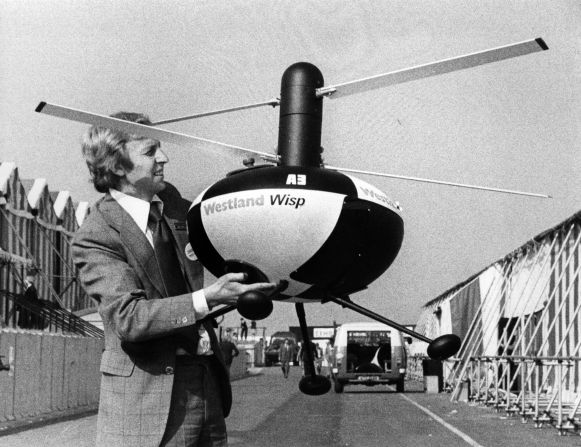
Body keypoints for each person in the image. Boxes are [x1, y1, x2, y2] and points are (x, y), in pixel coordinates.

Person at [71, 112, 276, 447]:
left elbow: (227, 225)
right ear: (119, 166)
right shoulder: (95, 235)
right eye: (151, 152)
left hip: (206, 385)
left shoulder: (175, 207)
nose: (164, 158)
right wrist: (209, 298)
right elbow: (129, 318)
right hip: (147, 405)